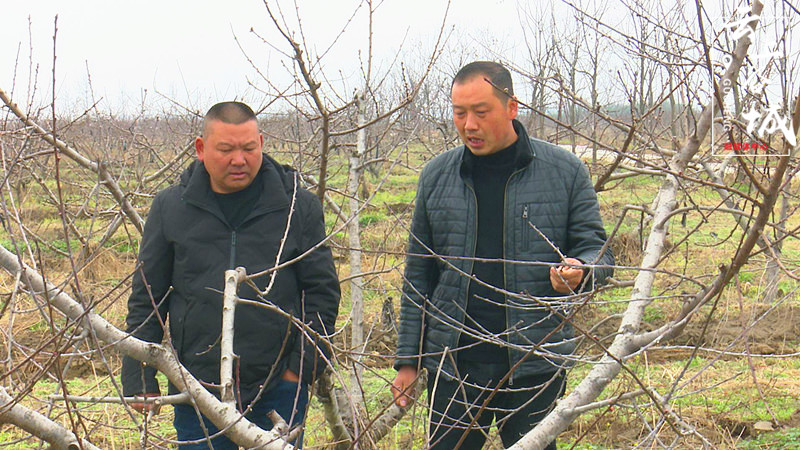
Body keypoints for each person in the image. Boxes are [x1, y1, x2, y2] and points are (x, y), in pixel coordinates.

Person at [391, 61, 614, 449]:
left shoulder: (564, 171)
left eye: (480, 112)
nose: (469, 125)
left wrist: (582, 269)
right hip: (455, 366)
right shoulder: (436, 176)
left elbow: (597, 250)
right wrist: (408, 360)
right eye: (459, 113)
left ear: (511, 107)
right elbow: (418, 275)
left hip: (533, 362)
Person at [121, 101, 340, 449]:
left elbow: (322, 293)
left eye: (248, 148)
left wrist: (298, 372)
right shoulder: (171, 207)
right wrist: (139, 374)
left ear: (261, 143)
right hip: (196, 386)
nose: (239, 159)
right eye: (226, 149)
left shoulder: (297, 206)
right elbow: (148, 295)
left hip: (278, 388)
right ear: (201, 149)